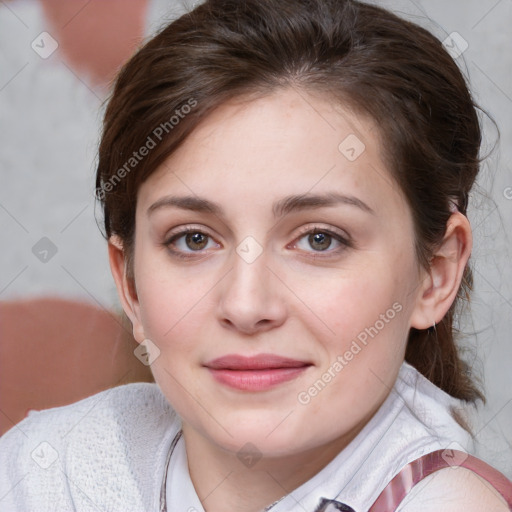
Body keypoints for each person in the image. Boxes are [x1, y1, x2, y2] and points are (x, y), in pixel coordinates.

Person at [1, 0, 511, 510]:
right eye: (193, 239)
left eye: (319, 239)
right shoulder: (37, 473)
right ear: (130, 284)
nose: (246, 306)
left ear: (436, 275)